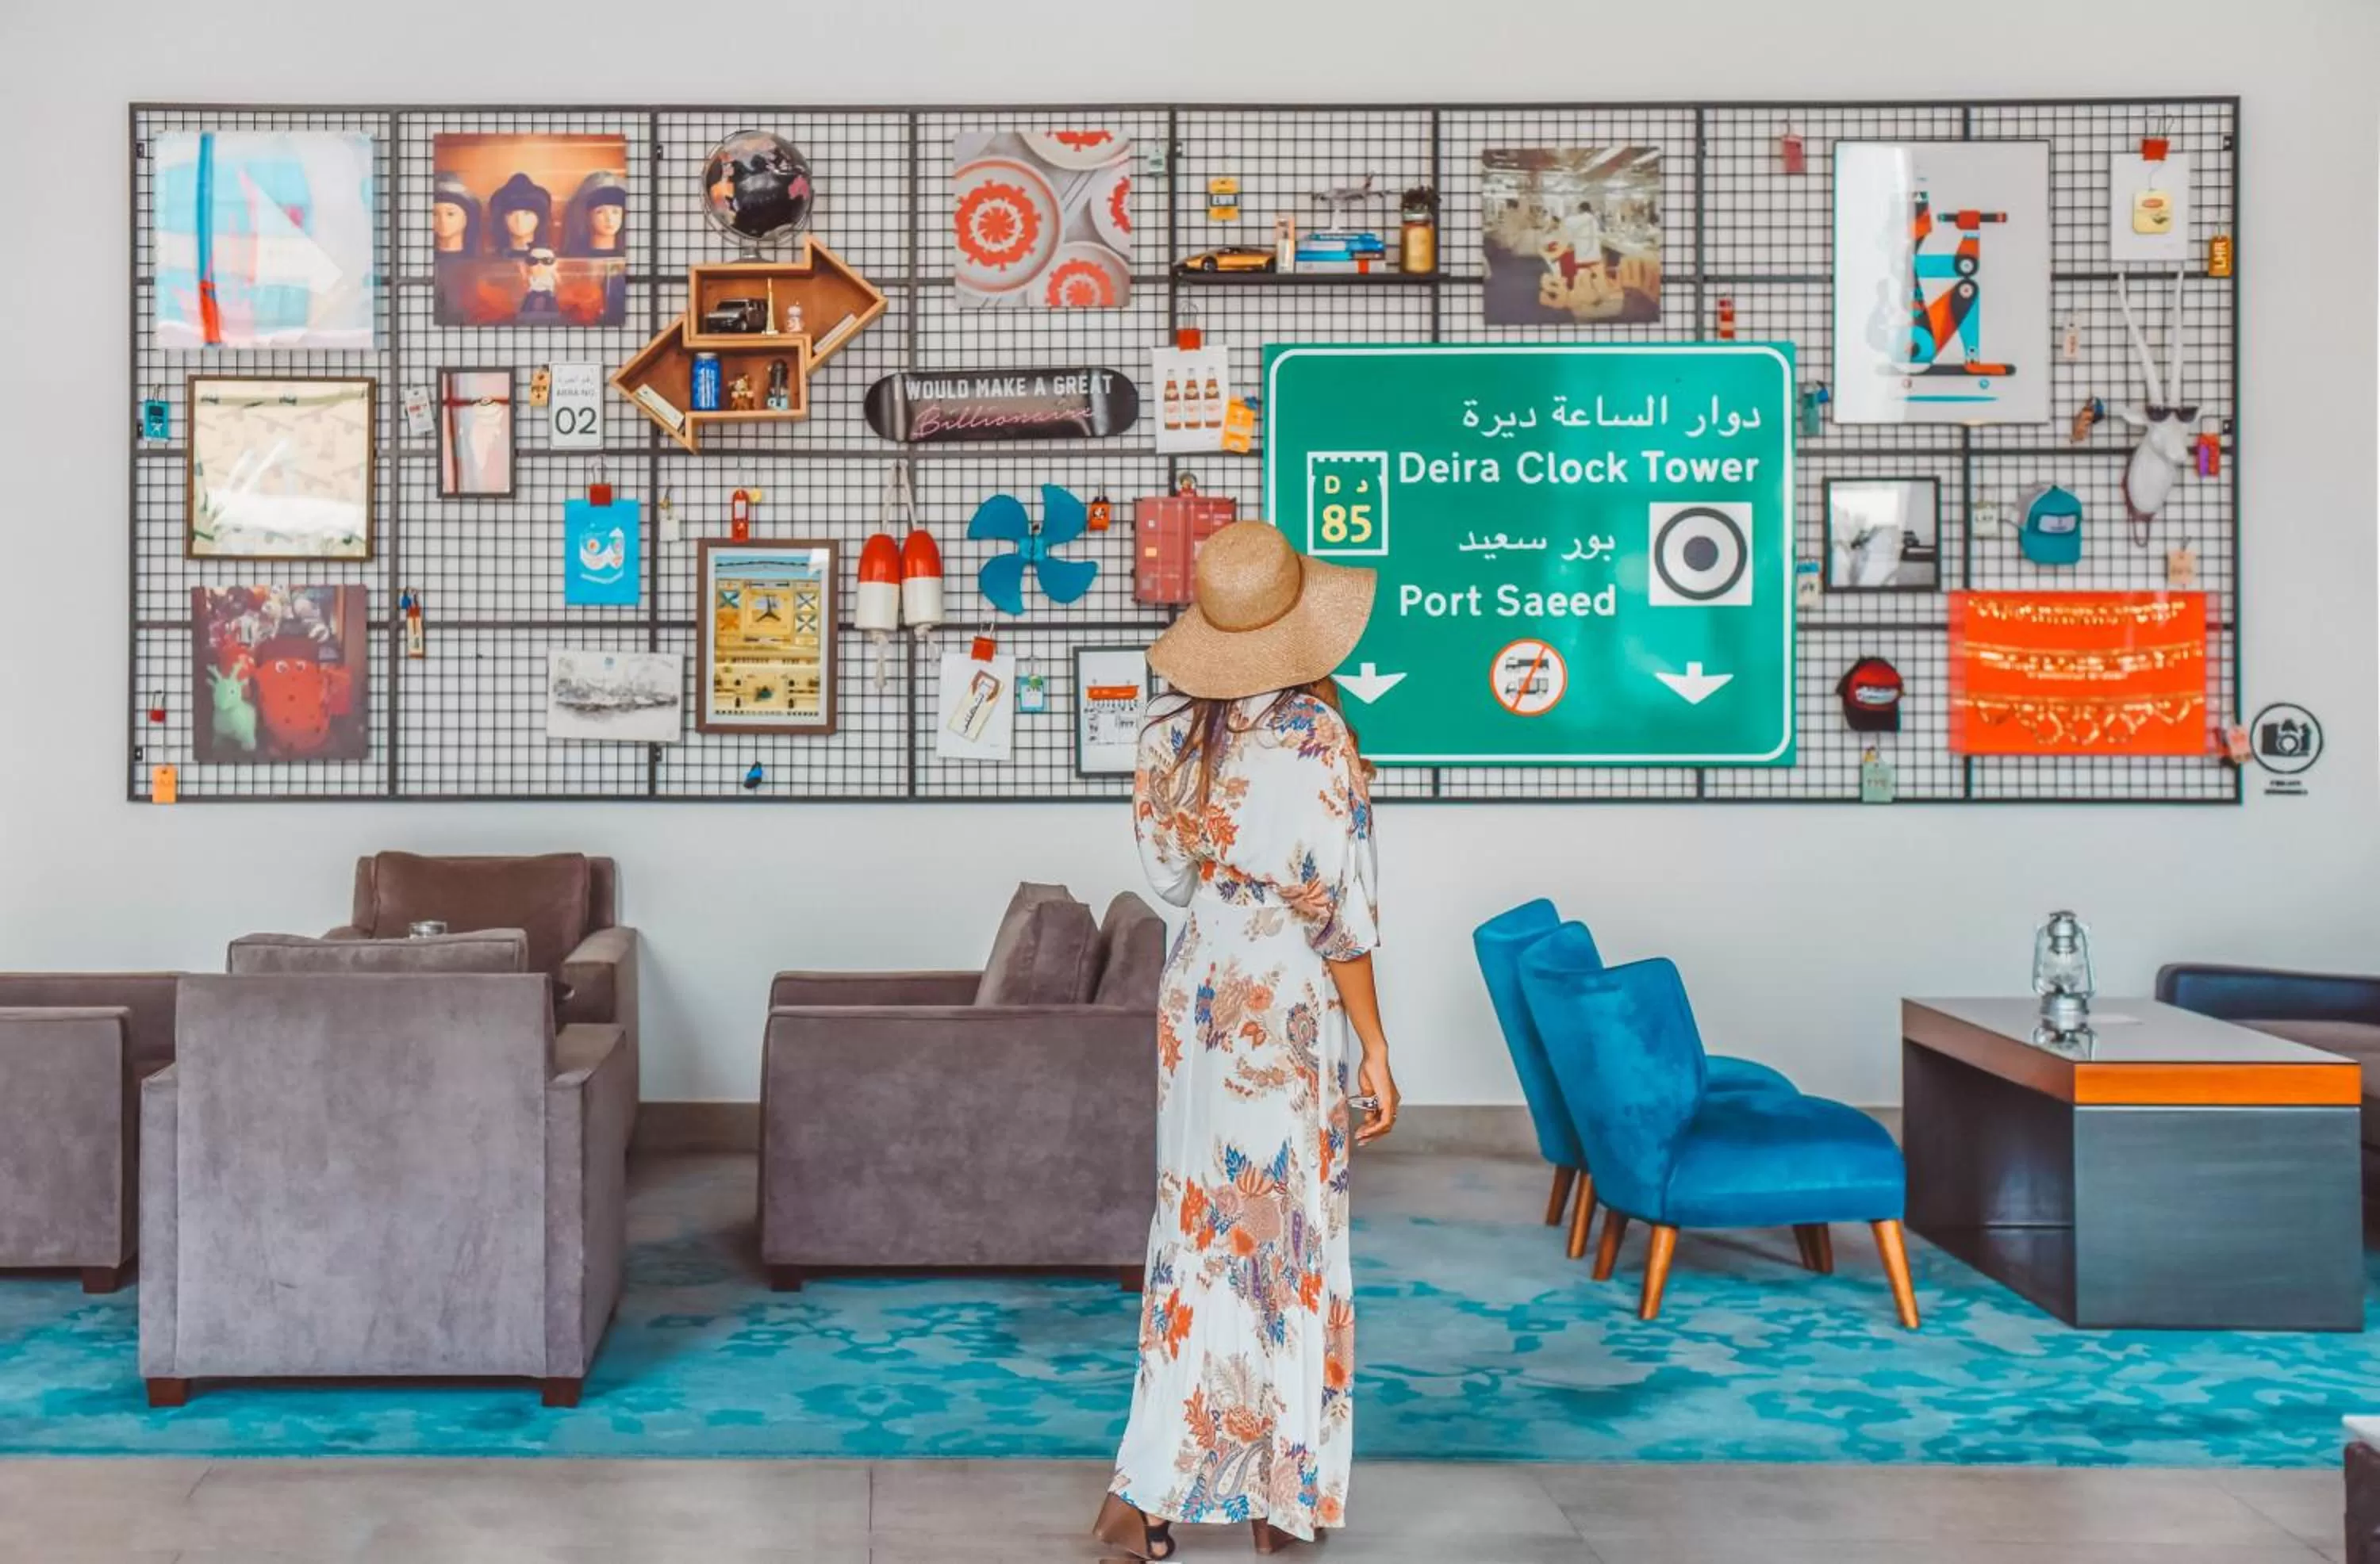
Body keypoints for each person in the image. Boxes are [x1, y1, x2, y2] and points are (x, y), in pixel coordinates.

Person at [1094, 523, 1399, 1561]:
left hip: (1200, 989)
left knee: (1197, 1231)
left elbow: (1170, 879)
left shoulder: (1163, 730)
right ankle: (1281, 1501)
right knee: (1288, 1237)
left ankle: (1142, 1498)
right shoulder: (1316, 736)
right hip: (1284, 998)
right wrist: (1376, 1045)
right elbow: (1341, 916)